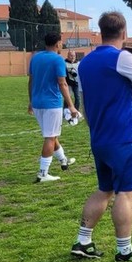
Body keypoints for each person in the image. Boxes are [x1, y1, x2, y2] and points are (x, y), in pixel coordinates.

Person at [70, 11, 132, 262]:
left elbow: (85, 103)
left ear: (100, 32)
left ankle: (83, 241)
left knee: (104, 189)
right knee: (126, 193)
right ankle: (125, 249)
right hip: (122, 138)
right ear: (124, 32)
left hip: (99, 138)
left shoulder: (85, 63)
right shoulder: (121, 57)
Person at [28, 32, 79, 183]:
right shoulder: (57, 59)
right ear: (58, 44)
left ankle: (63, 160)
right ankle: (43, 173)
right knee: (50, 137)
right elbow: (62, 83)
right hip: (52, 104)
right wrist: (71, 106)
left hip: (37, 103)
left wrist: (31, 101)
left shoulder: (35, 57)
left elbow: (30, 81)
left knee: (51, 134)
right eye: (61, 42)